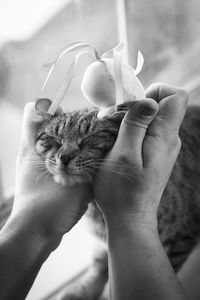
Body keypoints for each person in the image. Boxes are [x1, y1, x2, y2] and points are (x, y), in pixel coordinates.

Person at [0, 83, 189, 300]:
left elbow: (182, 237)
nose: (64, 156)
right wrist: (33, 224)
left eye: (90, 140)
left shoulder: (166, 198)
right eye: (53, 140)